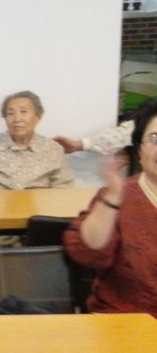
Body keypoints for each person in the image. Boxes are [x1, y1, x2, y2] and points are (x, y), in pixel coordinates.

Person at [64, 98, 157, 317]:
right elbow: (89, 254)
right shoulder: (119, 196)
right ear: (139, 149)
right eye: (155, 139)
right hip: (125, 321)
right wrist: (112, 198)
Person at [0, 91, 75, 191]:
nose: (17, 119)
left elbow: (64, 185)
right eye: (10, 113)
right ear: (5, 118)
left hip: (40, 204)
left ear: (38, 117)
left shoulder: (52, 149)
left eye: (23, 112)